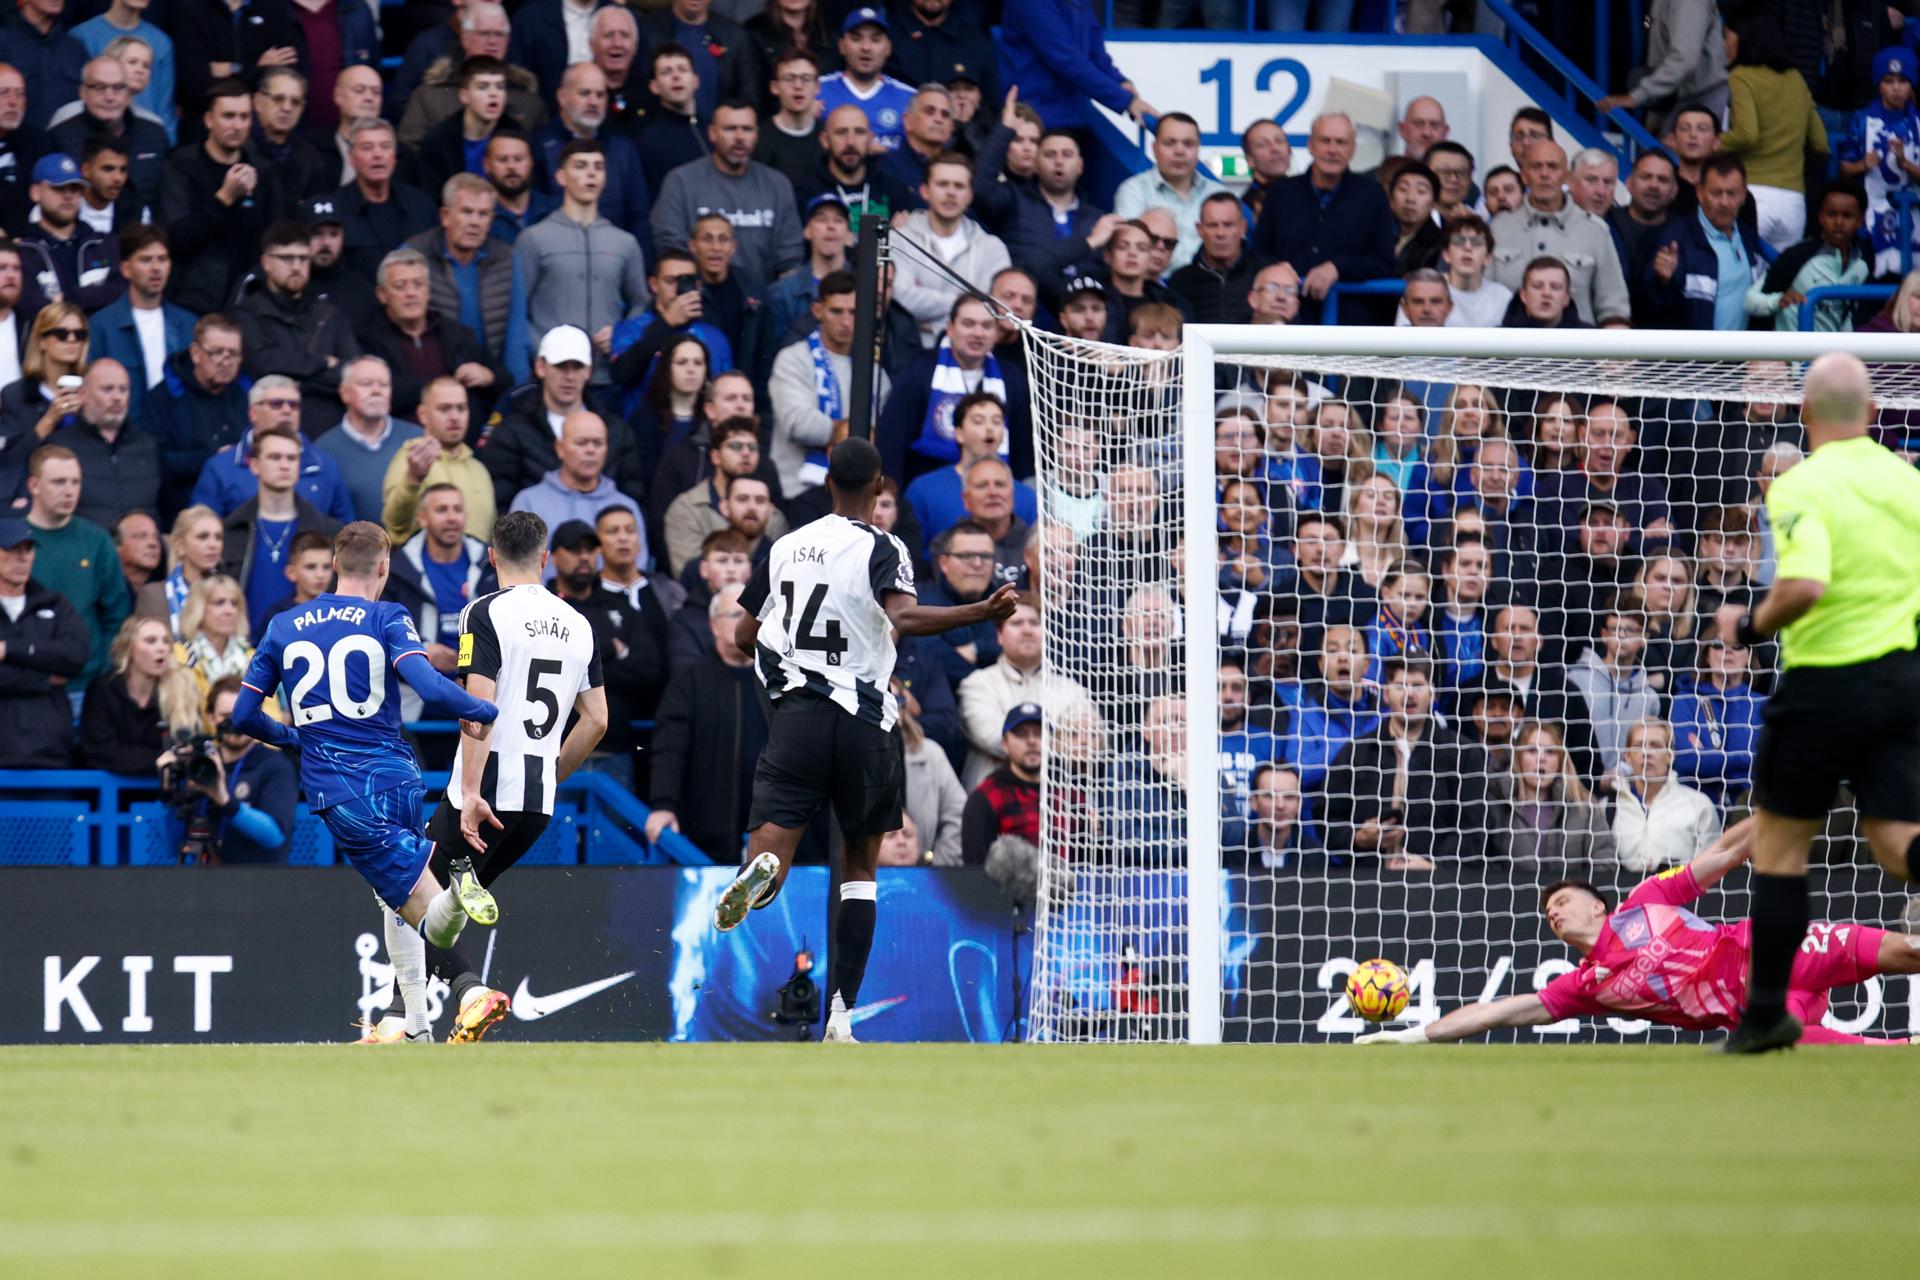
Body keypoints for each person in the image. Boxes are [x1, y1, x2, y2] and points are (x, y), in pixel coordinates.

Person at [713, 438, 1019, 1042]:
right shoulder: (883, 546)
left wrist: (784, 657)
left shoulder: (786, 546)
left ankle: (761, 869)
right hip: (865, 721)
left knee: (773, 851)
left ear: (828, 483)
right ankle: (842, 1016)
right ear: (880, 488)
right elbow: (904, 618)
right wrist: (981, 611)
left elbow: (746, 634)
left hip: (797, 715)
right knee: (859, 868)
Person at [1695, 352, 1920, 1051]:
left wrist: (1747, 625)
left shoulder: (1801, 485)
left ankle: (1765, 1014)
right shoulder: (1908, 480)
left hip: (1824, 682)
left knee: (1782, 848)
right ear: (1874, 415)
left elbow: (1806, 586)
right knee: (1896, 843)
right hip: (1905, 681)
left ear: (1804, 414)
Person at [230, 523, 500, 1041]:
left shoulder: (284, 625)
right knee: (391, 899)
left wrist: (291, 737)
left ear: (333, 563)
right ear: (384, 567)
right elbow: (426, 684)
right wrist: (481, 707)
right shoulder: (388, 615)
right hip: (399, 775)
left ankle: (458, 884)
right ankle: (417, 1029)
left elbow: (243, 715)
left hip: (343, 789)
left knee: (433, 917)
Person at [1357, 819, 1920, 1046]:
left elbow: (1721, 854)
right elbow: (1497, 1012)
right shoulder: (1584, 985)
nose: (1554, 912)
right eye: (1549, 913)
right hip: (1763, 1012)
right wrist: (1410, 1036)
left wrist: (1779, 810)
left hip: (1774, 947)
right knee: (1862, 1055)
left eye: (1562, 900)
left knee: (1907, 953)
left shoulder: (1646, 901)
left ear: (1598, 905)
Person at [399, 508, 607, 1043]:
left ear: (491, 557)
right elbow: (598, 720)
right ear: (544, 558)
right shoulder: (579, 624)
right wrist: (550, 773)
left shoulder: (483, 612)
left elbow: (478, 707)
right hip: (535, 802)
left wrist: (470, 792)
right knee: (439, 906)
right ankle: (412, 1024)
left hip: (484, 791)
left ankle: (464, 996)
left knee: (404, 896)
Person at [645, 581, 769, 861]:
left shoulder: (777, 679)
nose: (746, 623)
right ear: (713, 625)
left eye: (752, 616)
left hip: (773, 833)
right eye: (736, 615)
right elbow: (670, 749)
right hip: (708, 837)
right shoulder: (690, 681)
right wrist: (663, 804)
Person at [1323, 655, 1484, 868]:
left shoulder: (1463, 754)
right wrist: (1356, 837)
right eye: (1400, 685)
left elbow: (1474, 830)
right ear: (1386, 694)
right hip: (1365, 887)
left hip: (1439, 890)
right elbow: (1326, 818)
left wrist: (1434, 866)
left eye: (1417, 685)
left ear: (1432, 694)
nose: (1409, 693)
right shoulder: (1356, 752)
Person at [516, 139, 650, 386]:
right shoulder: (534, 239)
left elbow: (641, 301)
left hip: (607, 378)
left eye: (598, 167)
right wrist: (545, 354)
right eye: (580, 166)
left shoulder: (624, 242)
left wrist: (622, 336)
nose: (591, 173)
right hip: (553, 377)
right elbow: (517, 310)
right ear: (561, 177)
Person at [1251, 113, 1396, 323]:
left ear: (1353, 149)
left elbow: (1385, 261)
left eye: (1341, 142)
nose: (1332, 150)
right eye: (1325, 140)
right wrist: (1282, 270)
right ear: (1310, 145)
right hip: (1289, 322)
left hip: (1352, 324)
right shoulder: (1281, 193)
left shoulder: (1372, 195)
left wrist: (1337, 267)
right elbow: (1259, 252)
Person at [230, 219, 359, 436]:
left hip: (332, 431)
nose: (297, 267)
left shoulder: (328, 311)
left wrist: (301, 381)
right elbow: (262, 365)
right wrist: (323, 362)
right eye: (287, 258)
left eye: (303, 258)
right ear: (266, 263)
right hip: (273, 434)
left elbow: (353, 372)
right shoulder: (246, 314)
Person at [216, 424, 344, 639]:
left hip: (312, 648)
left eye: (292, 458)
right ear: (254, 465)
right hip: (244, 651)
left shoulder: (329, 531)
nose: (285, 465)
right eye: (275, 457)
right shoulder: (231, 530)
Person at [22, 443, 129, 696]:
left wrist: (102, 667)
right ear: (33, 486)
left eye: (75, 482)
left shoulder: (97, 541)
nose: (69, 491)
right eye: (59, 482)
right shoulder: (12, 541)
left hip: (87, 685)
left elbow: (116, 614)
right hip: (22, 684)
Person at [1717, 6, 1827, 252]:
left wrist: (1715, 144)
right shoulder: (1796, 78)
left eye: (1726, 35)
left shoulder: (1741, 76)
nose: (1723, 45)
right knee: (1778, 286)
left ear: (1743, 36)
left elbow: (1747, 133)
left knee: (1741, 280)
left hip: (1753, 197)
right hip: (1794, 204)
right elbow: (1820, 142)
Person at [405, 174, 532, 386]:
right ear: (445, 216)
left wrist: (517, 393)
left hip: (490, 380)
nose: (475, 222)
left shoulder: (507, 259)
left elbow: (516, 336)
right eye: (466, 212)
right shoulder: (414, 255)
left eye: (483, 214)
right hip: (432, 384)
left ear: (491, 221)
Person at [355, 245, 504, 425]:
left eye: (418, 284)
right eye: (400, 286)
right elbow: (382, 394)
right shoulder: (367, 339)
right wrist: (443, 383)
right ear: (382, 294)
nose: (411, 293)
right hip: (401, 443)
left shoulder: (457, 334)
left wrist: (488, 376)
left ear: (428, 291)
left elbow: (505, 380)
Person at [1489, 140, 1631, 327]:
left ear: (1566, 177)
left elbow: (1613, 309)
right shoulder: (1498, 228)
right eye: (1536, 166)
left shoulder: (1595, 231)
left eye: (1553, 167)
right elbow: (1482, 297)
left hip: (1578, 352)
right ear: (1524, 175)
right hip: (1509, 351)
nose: (1545, 174)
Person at [889, 152, 1010, 348]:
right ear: (925, 191)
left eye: (959, 186)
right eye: (942, 184)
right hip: (911, 353)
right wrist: (966, 304)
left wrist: (929, 321)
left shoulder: (992, 248)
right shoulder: (898, 239)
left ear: (970, 195)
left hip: (974, 357)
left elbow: (995, 309)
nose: (951, 193)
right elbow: (900, 297)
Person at [1640, 154, 1765, 333]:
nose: (1724, 202)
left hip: (1742, 358)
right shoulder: (1674, 238)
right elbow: (1648, 308)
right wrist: (1662, 282)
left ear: (1744, 195)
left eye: (1732, 193)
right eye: (1716, 193)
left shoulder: (1748, 237)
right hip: (1693, 359)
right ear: (1700, 192)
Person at [0, 516, 86, 765]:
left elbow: (75, 655)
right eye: (12, 549)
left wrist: (8, 650)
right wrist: (44, 678)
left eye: (27, 550)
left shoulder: (56, 604)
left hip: (48, 750)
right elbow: (60, 660)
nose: (23, 558)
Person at [997, 0, 1153, 136]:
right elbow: (1065, 58)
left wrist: (1119, 81)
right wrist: (1125, 101)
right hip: (1035, 118)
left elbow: (1094, 49)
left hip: (1072, 116)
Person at [88, 226, 195, 423]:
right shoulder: (101, 326)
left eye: (162, 259)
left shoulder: (188, 324)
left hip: (177, 435)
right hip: (125, 436)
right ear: (126, 269)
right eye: (146, 260)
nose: (156, 267)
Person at [1486, 719, 1614, 871]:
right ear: (1518, 758)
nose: (1541, 758)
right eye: (1532, 750)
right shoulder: (1495, 805)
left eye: (1550, 752)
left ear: (1560, 761)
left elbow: (1605, 864)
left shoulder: (1585, 808)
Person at [78, 613, 198, 774]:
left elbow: (186, 751)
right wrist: (157, 760)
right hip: (108, 791)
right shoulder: (103, 689)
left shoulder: (179, 690)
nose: (162, 648)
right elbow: (101, 752)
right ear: (129, 648)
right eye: (151, 641)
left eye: (166, 641)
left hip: (161, 793)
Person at [48, 359, 160, 530]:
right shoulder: (61, 446)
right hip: (86, 552)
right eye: (107, 389)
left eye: (123, 389)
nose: (117, 397)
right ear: (82, 394)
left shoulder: (147, 444)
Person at [1746, 181, 1870, 334]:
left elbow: (1848, 316)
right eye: (1832, 214)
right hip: (1790, 355)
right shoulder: (1797, 256)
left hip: (1836, 355)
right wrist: (1778, 300)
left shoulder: (1864, 261)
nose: (1839, 222)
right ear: (1820, 217)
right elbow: (1750, 301)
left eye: (1847, 215)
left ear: (1860, 221)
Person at [383, 376, 493, 541]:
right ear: (423, 415)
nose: (455, 416)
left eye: (461, 408)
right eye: (444, 408)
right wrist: (413, 479)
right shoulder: (411, 459)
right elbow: (394, 524)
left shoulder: (479, 469)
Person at [1594, 0, 1728, 132]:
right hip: (1671, 98)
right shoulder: (1655, 3)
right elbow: (1649, 26)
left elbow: (1683, 59)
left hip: (1702, 98)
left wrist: (1637, 96)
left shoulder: (1688, 3)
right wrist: (1654, 112)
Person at [18, 152, 123, 314]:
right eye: (58, 188)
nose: (68, 195)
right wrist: (92, 296)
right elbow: (29, 304)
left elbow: (120, 290)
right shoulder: (23, 251)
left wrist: (67, 299)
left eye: (75, 189)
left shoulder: (106, 244)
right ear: (35, 193)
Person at [814, 8, 914, 152]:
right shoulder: (816, 90)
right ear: (842, 46)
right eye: (856, 39)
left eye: (875, 40)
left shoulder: (911, 98)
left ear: (888, 47)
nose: (866, 47)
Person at [633, 42, 708, 193]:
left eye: (683, 69)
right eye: (666, 72)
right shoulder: (647, 141)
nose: (676, 76)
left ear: (695, 81)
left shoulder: (714, 130)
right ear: (654, 87)